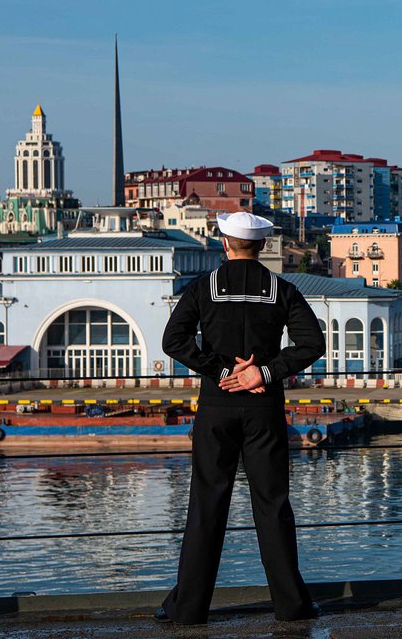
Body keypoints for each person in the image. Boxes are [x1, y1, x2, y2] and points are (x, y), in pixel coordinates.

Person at [157, 212, 324, 625]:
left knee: (207, 504)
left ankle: (188, 608)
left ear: (225, 243)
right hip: (264, 409)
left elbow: (173, 340)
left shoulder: (203, 288)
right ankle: (291, 604)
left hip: (217, 406)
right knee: (272, 503)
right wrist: (262, 372)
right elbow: (312, 343)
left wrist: (220, 371)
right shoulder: (282, 289)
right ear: (263, 245)